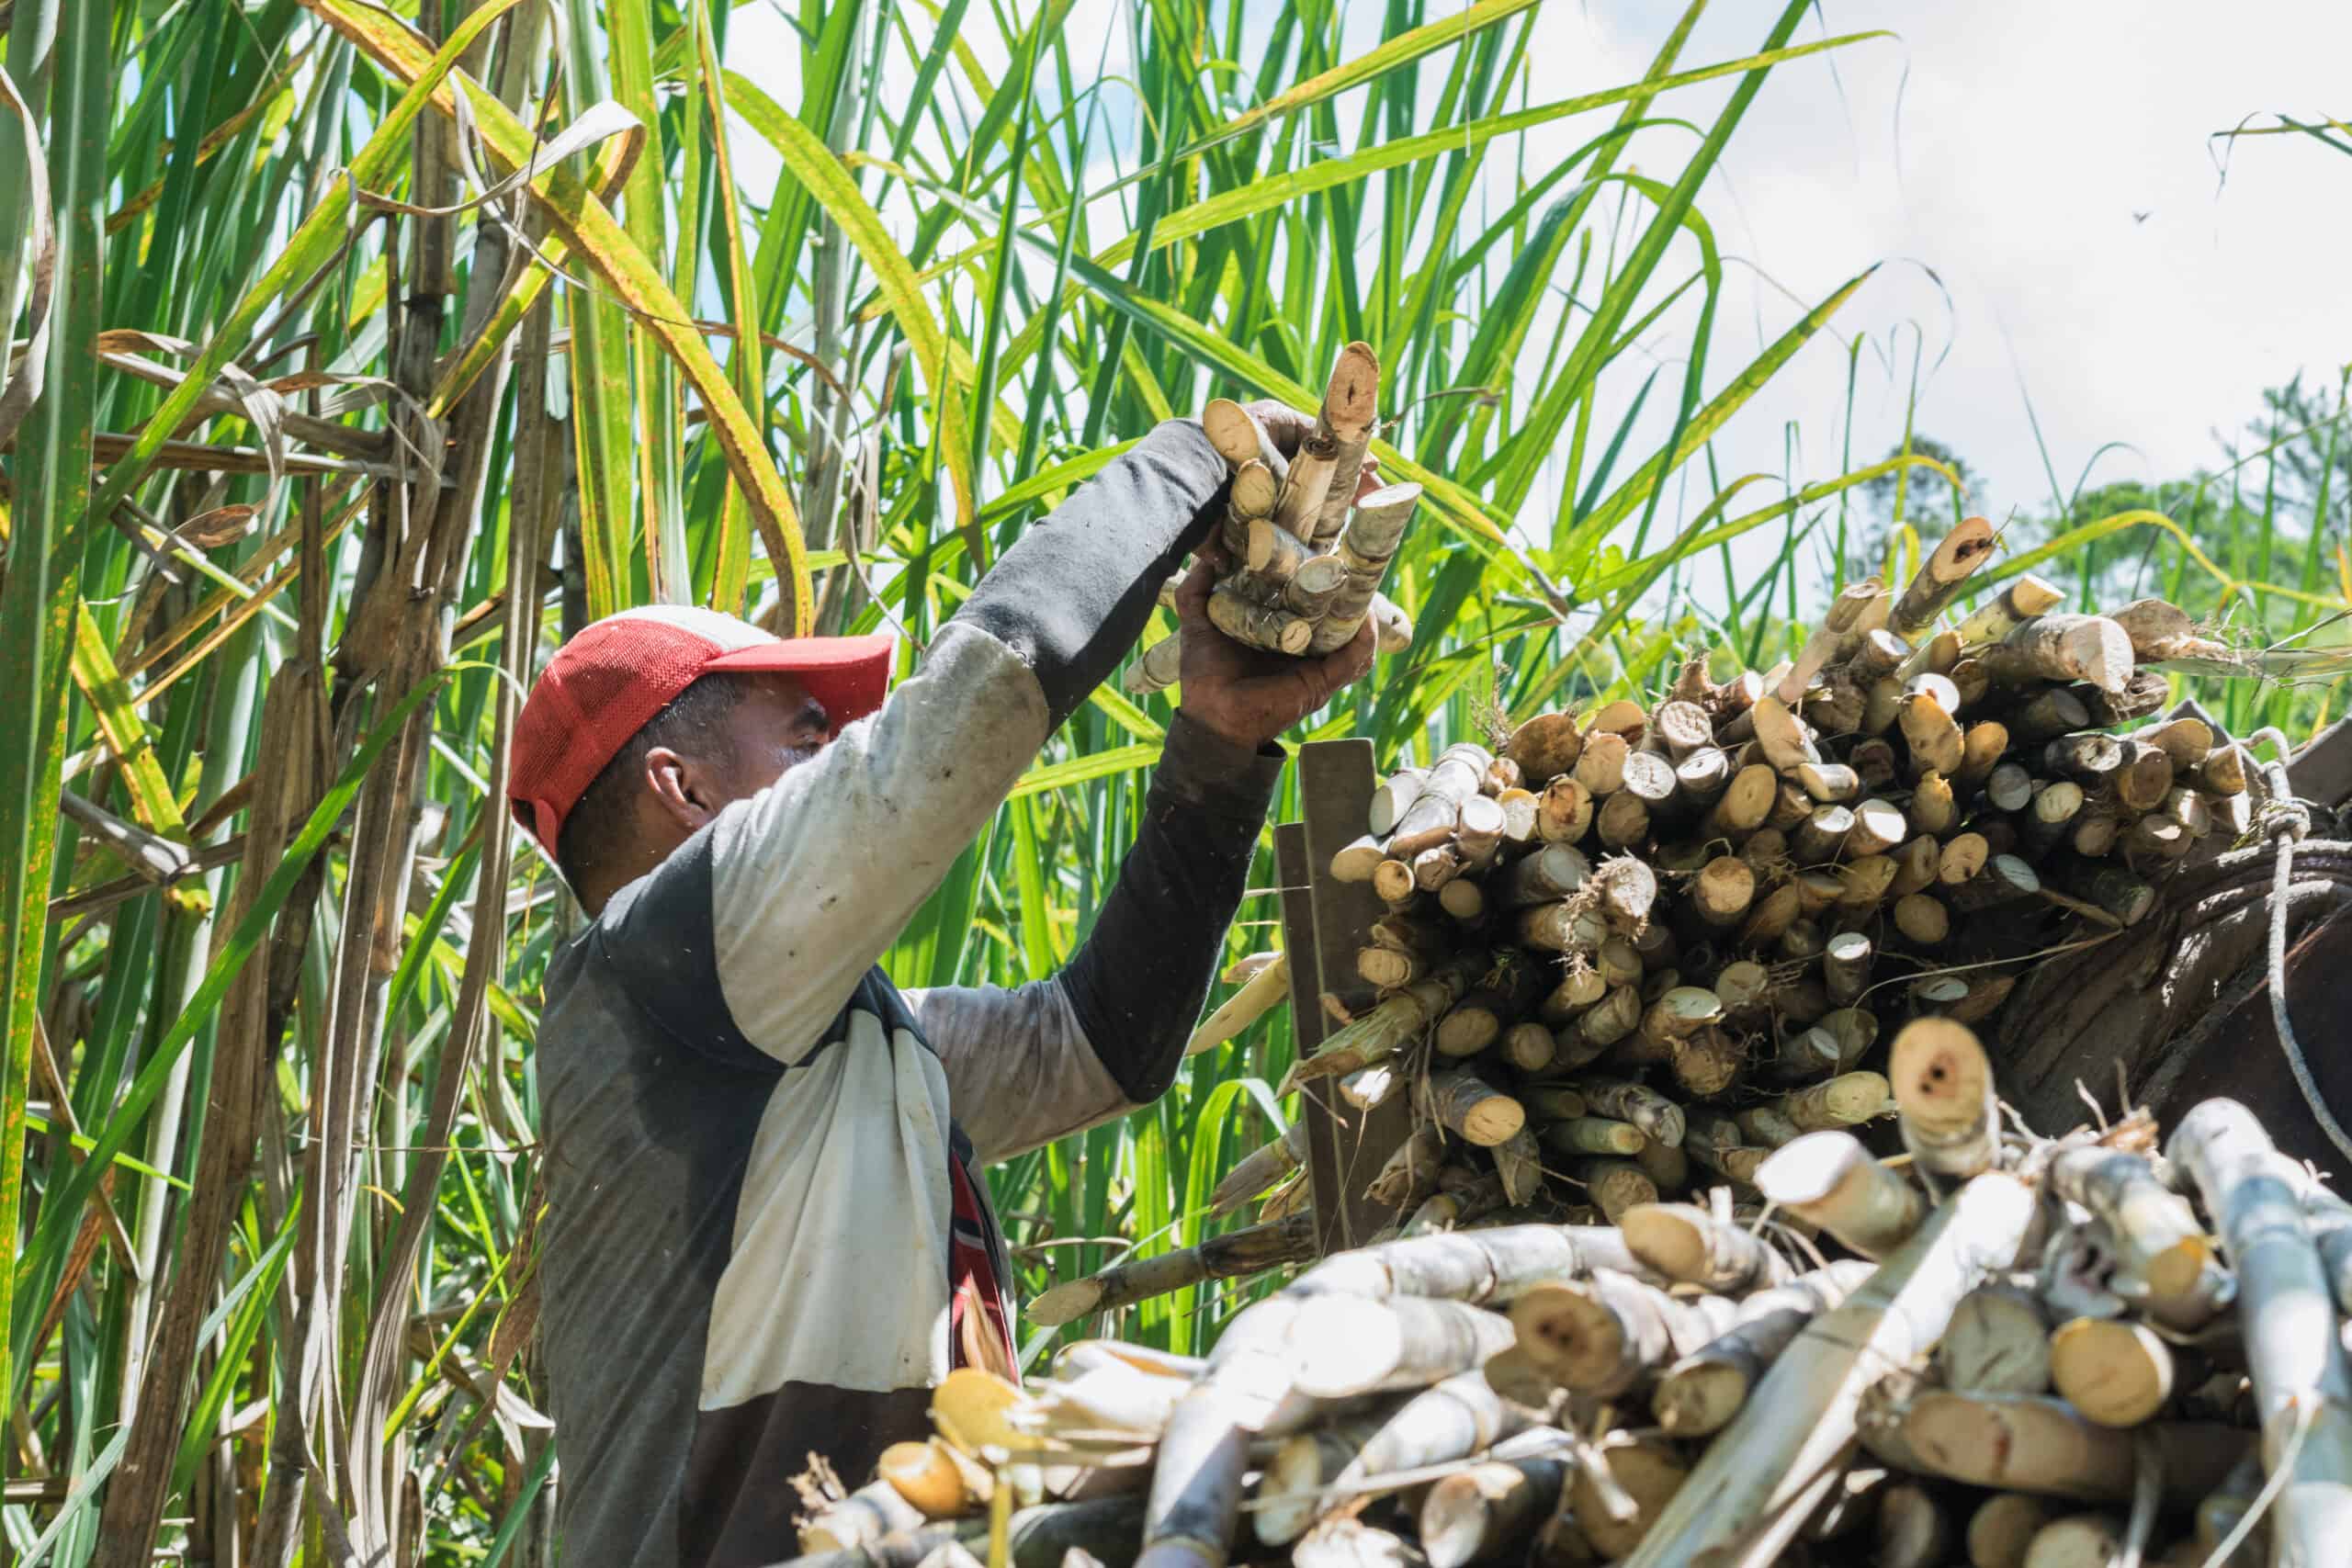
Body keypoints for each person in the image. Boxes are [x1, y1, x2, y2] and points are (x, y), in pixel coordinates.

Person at [504, 405, 1378, 1568]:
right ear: (684, 788)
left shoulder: (835, 1055)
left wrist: (1217, 743)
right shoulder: (649, 970)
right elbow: (952, 729)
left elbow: (1100, 1045)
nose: (840, 755)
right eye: (805, 731)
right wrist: (1189, 463)